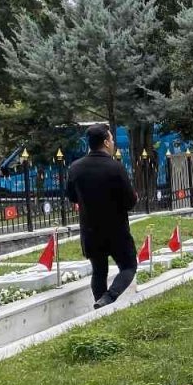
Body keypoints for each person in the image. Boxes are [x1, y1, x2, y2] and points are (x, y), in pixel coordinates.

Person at [66, 124, 138, 309]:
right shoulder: (115, 168)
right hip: (116, 230)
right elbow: (130, 201)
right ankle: (109, 297)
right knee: (129, 266)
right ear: (106, 142)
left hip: (90, 230)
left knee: (99, 271)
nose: (113, 143)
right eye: (112, 139)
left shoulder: (75, 168)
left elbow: (72, 196)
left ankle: (101, 305)